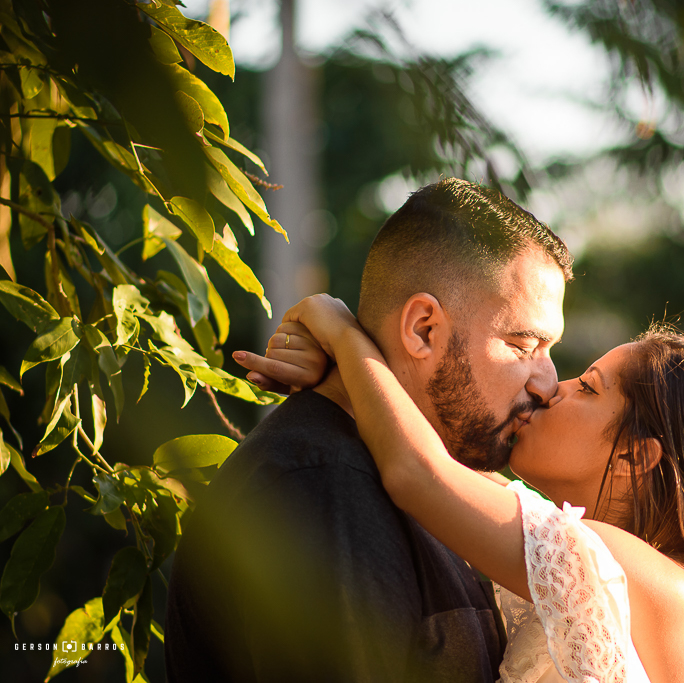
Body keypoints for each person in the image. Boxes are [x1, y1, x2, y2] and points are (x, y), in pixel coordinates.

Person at [237, 295, 684, 683]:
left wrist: (339, 328)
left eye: (588, 387)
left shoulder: (614, 562)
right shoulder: (657, 585)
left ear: (640, 456)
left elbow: (420, 473)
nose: (551, 388)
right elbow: (446, 464)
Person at [164, 178, 574, 682]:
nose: (548, 382)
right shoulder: (322, 487)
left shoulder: (433, 490)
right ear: (423, 328)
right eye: (523, 344)